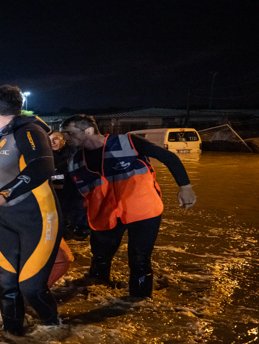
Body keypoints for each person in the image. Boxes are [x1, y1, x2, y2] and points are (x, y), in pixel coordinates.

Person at [60, 114, 197, 298]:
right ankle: (96, 289)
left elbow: (168, 157)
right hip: (106, 214)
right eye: (64, 134)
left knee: (139, 259)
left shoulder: (128, 141)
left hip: (143, 211)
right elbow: (67, 197)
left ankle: (138, 301)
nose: (65, 138)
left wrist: (185, 187)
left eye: (69, 133)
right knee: (100, 256)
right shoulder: (75, 162)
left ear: (89, 130)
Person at [0, 85, 63, 334]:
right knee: (7, 284)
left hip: (38, 218)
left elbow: (42, 167)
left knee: (31, 287)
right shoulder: (0, 134)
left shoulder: (28, 129)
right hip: (4, 219)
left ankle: (54, 330)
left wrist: (1, 197)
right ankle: (11, 337)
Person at [49, 131, 90, 240]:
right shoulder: (46, 154)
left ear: (63, 139)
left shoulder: (73, 152)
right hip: (55, 190)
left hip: (73, 187)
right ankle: (63, 231)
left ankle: (81, 229)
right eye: (49, 140)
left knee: (78, 206)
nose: (52, 142)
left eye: (56, 139)